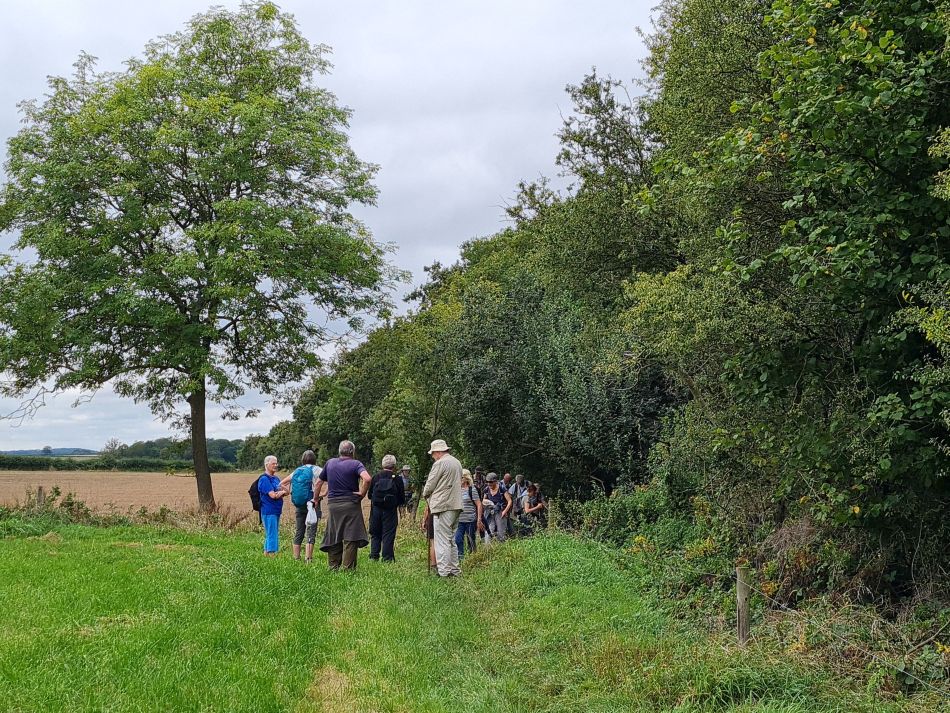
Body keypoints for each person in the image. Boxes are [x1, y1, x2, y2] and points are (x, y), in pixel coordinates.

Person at [318, 440, 372, 570]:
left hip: (333, 505)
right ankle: (348, 568)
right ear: (352, 452)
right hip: (351, 504)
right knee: (351, 535)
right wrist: (362, 493)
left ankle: (333, 566)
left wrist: (315, 498)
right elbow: (367, 478)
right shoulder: (356, 464)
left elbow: (319, 482)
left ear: (339, 451)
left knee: (334, 533)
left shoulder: (330, 463)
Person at [421, 438, 463, 577]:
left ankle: (444, 572)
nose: (433, 456)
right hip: (456, 504)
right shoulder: (457, 462)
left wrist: (425, 494)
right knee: (451, 540)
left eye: (433, 453)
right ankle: (454, 569)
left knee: (441, 540)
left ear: (438, 451)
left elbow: (430, 484)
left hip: (442, 505)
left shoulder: (440, 463)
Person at [280, 450, 323, 563]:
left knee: (299, 531)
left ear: (303, 460)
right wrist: (323, 494)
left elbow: (282, 483)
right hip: (313, 504)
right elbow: (330, 480)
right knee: (311, 531)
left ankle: (296, 558)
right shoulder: (318, 470)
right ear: (314, 459)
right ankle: (308, 559)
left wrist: (288, 492)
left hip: (299, 504)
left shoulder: (297, 470)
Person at [368, 454, 405, 562]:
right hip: (390, 511)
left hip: (376, 510)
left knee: (375, 533)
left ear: (382, 464)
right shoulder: (397, 479)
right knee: (388, 534)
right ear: (394, 465)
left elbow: (370, 495)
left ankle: (374, 555)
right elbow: (402, 498)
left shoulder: (376, 477)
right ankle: (387, 558)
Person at [257, 455, 287, 556]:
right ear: (266, 465)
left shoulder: (276, 478)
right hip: (268, 511)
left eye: (276, 463)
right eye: (273, 463)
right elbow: (273, 495)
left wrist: (282, 491)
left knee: (271, 533)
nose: (275, 465)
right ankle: (272, 555)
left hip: (276, 510)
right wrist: (281, 492)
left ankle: (265, 555)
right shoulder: (264, 479)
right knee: (272, 534)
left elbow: (286, 492)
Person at [455, 470, 484, 561]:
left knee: (471, 539)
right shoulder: (456, 490)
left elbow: (479, 504)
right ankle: (461, 558)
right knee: (457, 539)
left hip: (470, 520)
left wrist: (479, 519)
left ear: (466, 478)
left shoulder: (472, 489)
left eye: (462, 477)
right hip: (459, 520)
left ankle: (473, 558)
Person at [483, 472, 512, 543]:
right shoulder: (487, 489)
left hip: (500, 511)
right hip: (490, 511)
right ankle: (487, 549)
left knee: (501, 532)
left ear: (495, 481)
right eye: (487, 482)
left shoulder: (502, 488)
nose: (489, 483)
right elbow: (483, 500)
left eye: (491, 482)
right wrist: (487, 502)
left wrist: (505, 511)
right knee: (489, 530)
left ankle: (501, 548)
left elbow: (509, 501)